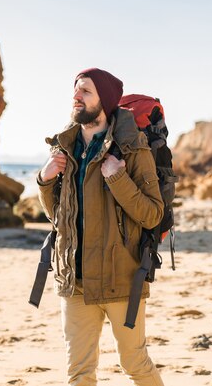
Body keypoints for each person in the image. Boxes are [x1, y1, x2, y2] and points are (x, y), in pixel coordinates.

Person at [36, 67, 165, 386]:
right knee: (79, 374)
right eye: (75, 91)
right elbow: (59, 218)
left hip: (121, 279)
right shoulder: (64, 148)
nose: (76, 96)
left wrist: (118, 177)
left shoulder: (133, 148)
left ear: (104, 102)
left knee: (134, 363)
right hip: (74, 280)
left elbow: (152, 215)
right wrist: (44, 180)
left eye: (86, 91)